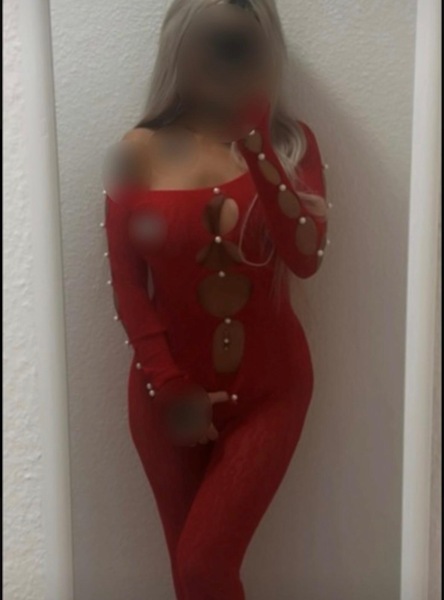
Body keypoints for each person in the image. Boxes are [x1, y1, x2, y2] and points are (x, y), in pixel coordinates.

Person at [102, 0, 331, 597]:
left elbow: (306, 258)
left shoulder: (291, 144)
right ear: (179, 47)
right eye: (210, 41)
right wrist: (170, 387)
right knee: (190, 578)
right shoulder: (136, 151)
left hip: (270, 395)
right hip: (164, 393)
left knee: (203, 568)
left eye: (240, 43)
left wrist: (256, 145)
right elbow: (129, 288)